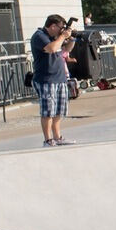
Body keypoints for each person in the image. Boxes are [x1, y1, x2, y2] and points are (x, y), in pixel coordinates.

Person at [30, 15, 76, 147]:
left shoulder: (56, 37)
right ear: (53, 26)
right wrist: (62, 36)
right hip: (46, 79)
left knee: (58, 111)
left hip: (59, 78)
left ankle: (57, 137)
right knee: (48, 111)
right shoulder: (39, 36)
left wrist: (71, 38)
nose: (62, 31)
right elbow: (51, 49)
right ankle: (48, 140)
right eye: (61, 28)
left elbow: (67, 49)